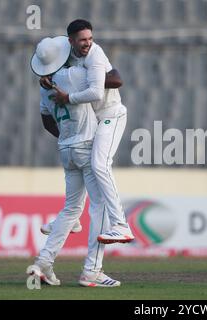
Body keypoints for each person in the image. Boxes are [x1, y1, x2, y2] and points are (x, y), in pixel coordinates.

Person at [27, 36, 120, 287]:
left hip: (66, 149)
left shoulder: (44, 87)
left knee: (71, 209)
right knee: (99, 206)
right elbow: (114, 79)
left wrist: (68, 134)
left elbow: (47, 121)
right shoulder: (76, 75)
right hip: (87, 146)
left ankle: (43, 263)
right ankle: (92, 271)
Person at [42, 19, 134, 244]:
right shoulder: (67, 56)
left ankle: (121, 225)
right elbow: (57, 73)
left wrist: (68, 97)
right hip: (94, 121)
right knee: (86, 164)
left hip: (111, 115)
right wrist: (47, 79)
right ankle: (70, 218)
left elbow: (97, 92)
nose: (88, 43)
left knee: (99, 164)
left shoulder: (95, 53)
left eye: (90, 38)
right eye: (83, 39)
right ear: (71, 41)